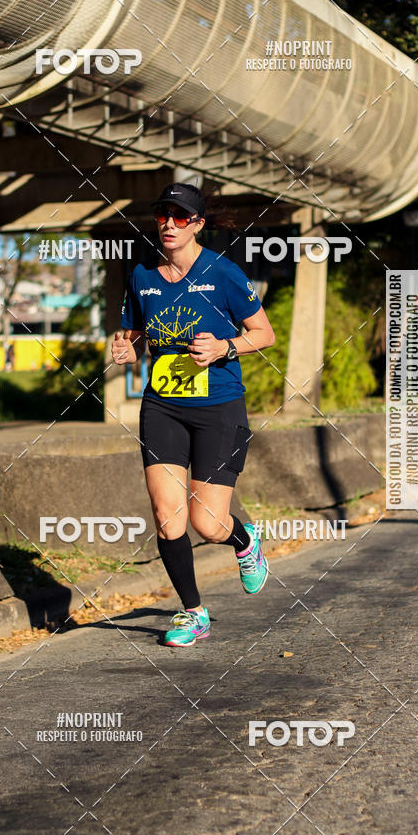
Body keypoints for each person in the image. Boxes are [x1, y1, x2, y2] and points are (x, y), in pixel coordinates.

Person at [112, 183, 275, 647]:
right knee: (167, 515)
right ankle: (192, 613)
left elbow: (263, 334)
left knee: (208, 524)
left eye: (181, 216)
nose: (169, 223)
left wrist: (226, 346)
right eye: (163, 214)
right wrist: (126, 346)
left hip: (218, 407)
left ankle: (244, 541)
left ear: (198, 224)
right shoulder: (141, 274)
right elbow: (135, 331)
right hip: (162, 405)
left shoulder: (222, 273)